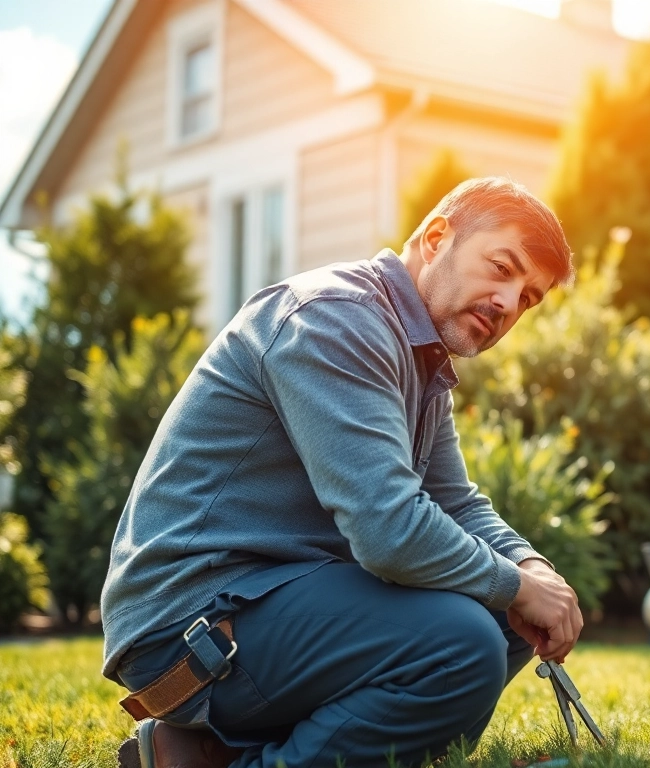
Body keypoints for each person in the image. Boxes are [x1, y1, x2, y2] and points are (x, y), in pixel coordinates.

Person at [104, 177, 584, 768]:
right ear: (437, 238)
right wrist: (516, 586)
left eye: (528, 298)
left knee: (502, 618)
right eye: (501, 268)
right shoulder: (336, 317)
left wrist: (531, 569)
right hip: (190, 626)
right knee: (463, 643)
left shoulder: (420, 358)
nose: (508, 303)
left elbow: (456, 504)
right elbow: (388, 529)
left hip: (266, 603)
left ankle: (211, 752)